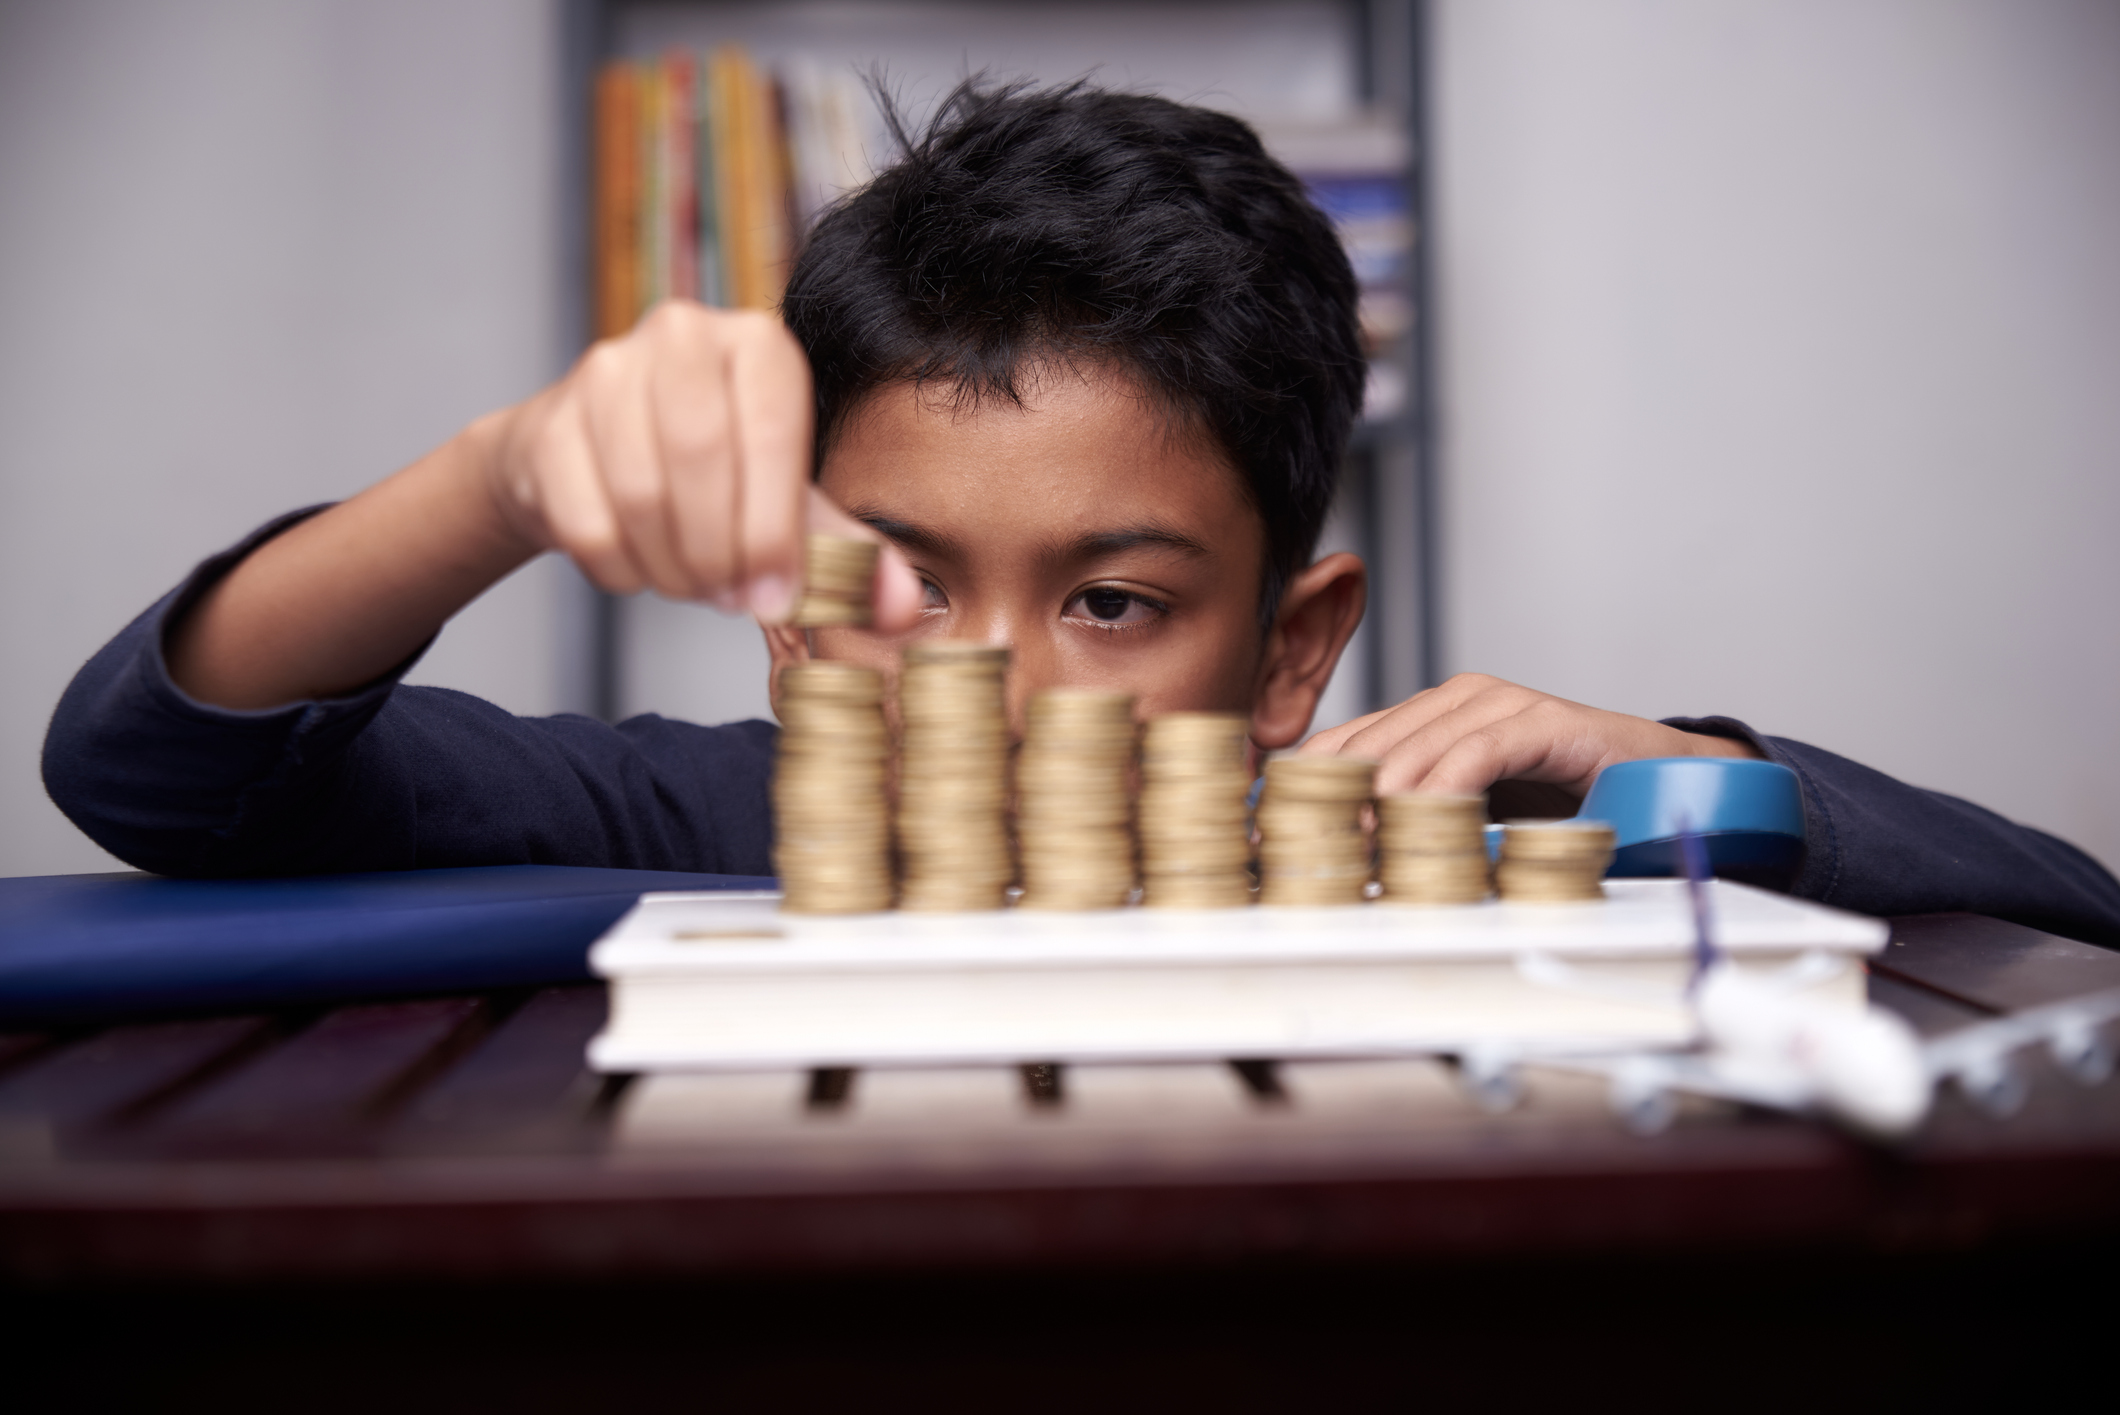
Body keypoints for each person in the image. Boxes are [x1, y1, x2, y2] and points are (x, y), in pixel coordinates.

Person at [40, 82, 2120, 948]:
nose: (995, 688)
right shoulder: (679, 821)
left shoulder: (1432, 851)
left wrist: (1699, 779)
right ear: (781, 608)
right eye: (894, 579)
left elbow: (2068, 914)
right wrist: (502, 480)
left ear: (1292, 651)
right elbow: (154, 768)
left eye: (1112, 607)